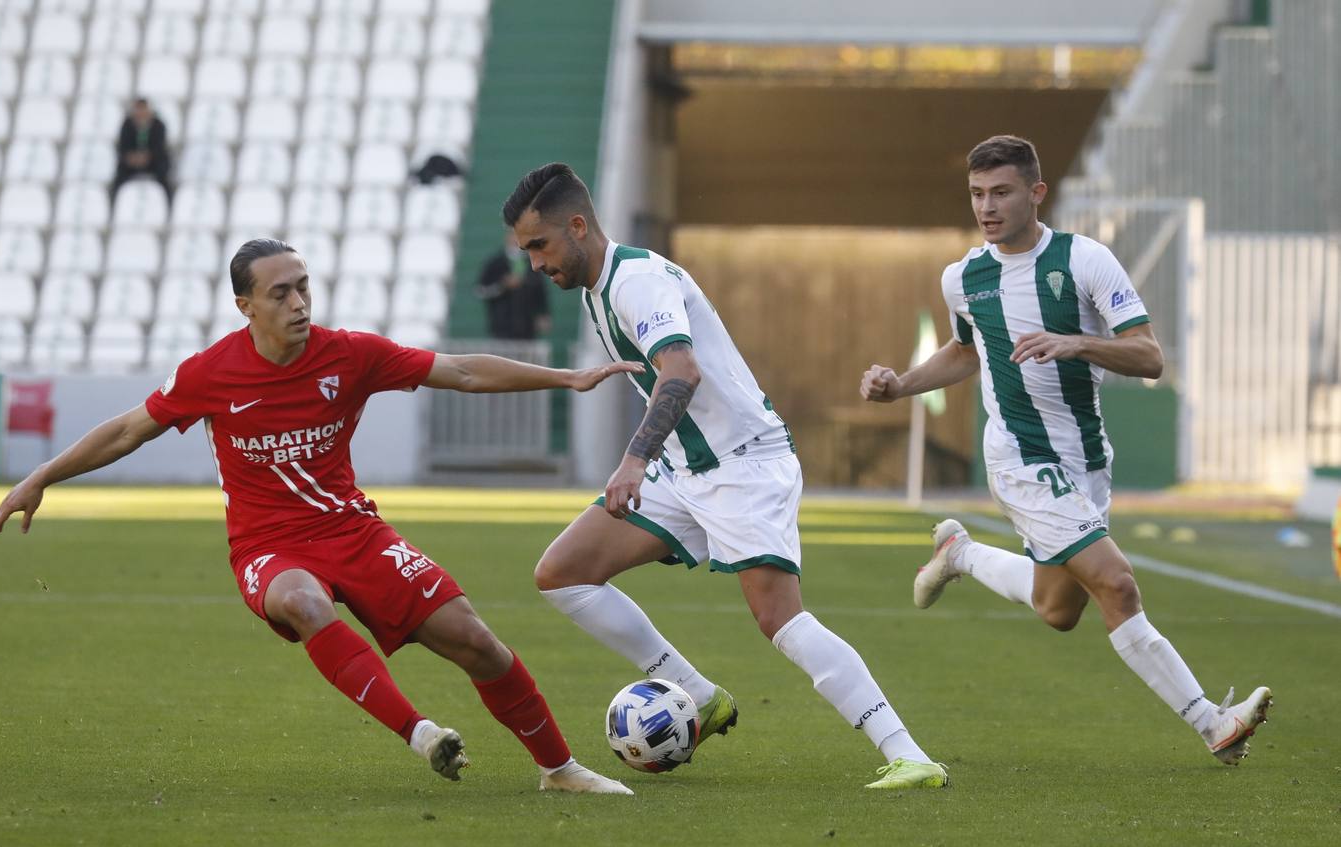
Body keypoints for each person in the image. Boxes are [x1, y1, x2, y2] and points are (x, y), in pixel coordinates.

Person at [0, 238, 640, 795]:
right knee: (304, 602)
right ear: (245, 307)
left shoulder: (349, 354)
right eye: (280, 294)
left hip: (352, 530)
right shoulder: (209, 373)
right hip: (267, 548)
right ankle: (420, 733)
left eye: (304, 288)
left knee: (477, 643)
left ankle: (559, 769)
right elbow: (130, 430)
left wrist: (565, 378)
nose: (299, 303)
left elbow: (463, 371)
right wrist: (43, 475)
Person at [506, 163, 950, 791]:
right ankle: (696, 694)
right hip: (686, 468)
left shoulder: (636, 281)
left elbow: (680, 370)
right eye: (526, 251)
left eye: (539, 246)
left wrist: (633, 459)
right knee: (562, 573)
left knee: (780, 620)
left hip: (743, 465)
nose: (534, 264)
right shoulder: (596, 288)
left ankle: (909, 755)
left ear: (577, 226)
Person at [859, 134, 1272, 765]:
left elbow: (1150, 355)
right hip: (1022, 458)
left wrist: (1076, 342)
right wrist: (900, 387)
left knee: (1058, 609)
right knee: (1118, 584)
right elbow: (967, 351)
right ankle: (1213, 723)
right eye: (977, 194)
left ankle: (959, 554)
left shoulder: (1084, 261)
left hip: (1085, 460)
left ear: (1036, 193)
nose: (987, 207)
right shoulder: (964, 277)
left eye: (1001, 192)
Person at [477, 228, 550, 340]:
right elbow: (481, 291)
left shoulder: (532, 262)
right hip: (501, 327)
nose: (515, 240)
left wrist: (543, 313)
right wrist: (502, 286)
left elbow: (540, 291)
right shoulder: (495, 262)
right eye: (513, 235)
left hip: (527, 328)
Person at [110, 97, 174, 210]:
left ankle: (169, 204)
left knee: (163, 174)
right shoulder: (127, 125)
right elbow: (123, 146)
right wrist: (131, 157)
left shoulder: (158, 125)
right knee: (118, 176)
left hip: (153, 162)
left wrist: (147, 156)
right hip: (131, 162)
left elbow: (160, 147)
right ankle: (114, 205)